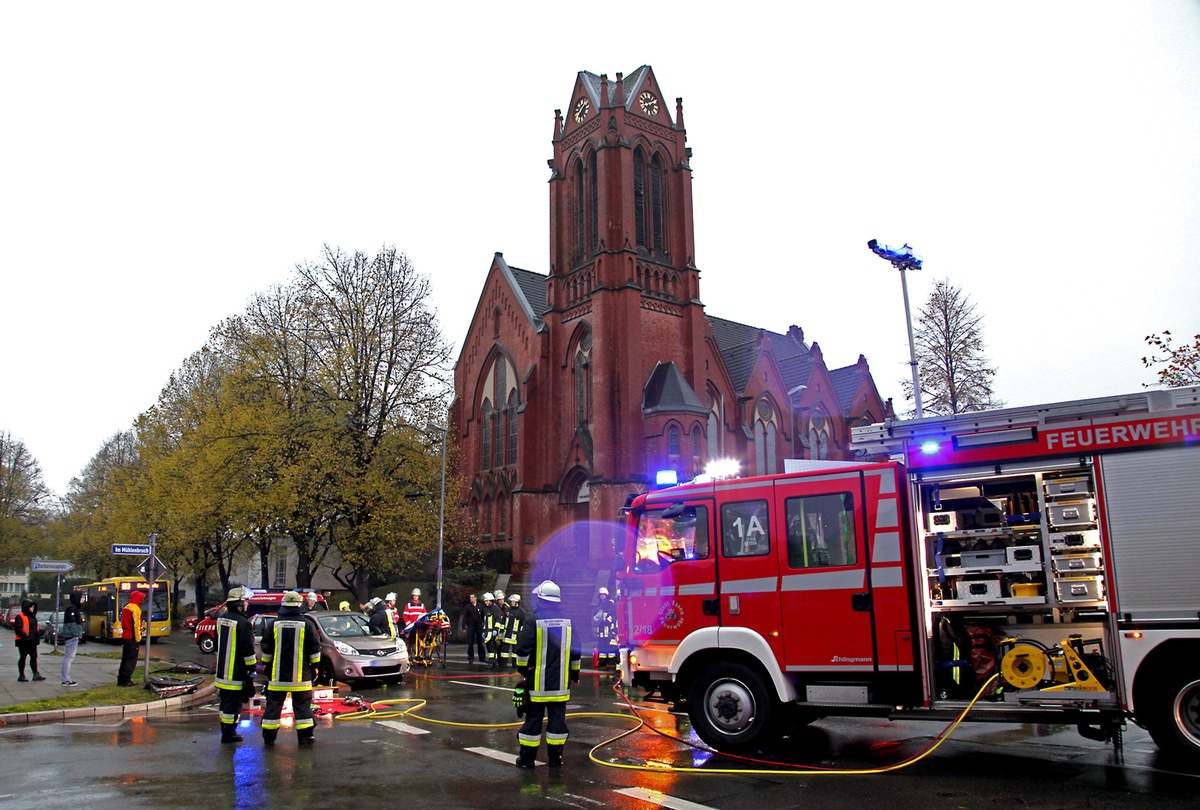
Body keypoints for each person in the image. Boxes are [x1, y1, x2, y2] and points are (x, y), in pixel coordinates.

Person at [515, 580, 580, 769]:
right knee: (557, 724)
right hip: (560, 686)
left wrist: (523, 670)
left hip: (537, 686)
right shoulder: (568, 621)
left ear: (541, 599)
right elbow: (576, 652)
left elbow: (522, 649)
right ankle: (555, 759)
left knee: (533, 722)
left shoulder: (533, 621)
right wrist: (574, 675)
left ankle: (527, 760)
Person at [260, 591, 321, 747]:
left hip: (277, 678)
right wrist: (315, 669)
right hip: (301, 678)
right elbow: (314, 650)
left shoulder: (274, 624)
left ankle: (269, 737)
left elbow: (266, 650)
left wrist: (267, 668)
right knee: (303, 708)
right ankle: (305, 737)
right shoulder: (307, 625)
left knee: (273, 707)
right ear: (300, 605)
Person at [214, 587, 257, 744]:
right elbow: (248, 649)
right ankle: (229, 733)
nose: (247, 604)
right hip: (236, 672)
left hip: (222, 671)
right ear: (239, 604)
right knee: (233, 704)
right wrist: (252, 668)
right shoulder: (244, 623)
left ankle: (225, 729)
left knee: (225, 703)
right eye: (245, 601)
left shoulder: (221, 619)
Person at [116, 589, 146, 687]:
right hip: (132, 638)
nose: (142, 601)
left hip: (125, 636)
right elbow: (136, 626)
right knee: (131, 659)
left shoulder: (126, 607)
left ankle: (121, 679)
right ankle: (126, 680)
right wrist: (138, 639)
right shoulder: (135, 609)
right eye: (141, 599)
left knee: (125, 658)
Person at [14, 598, 45, 682]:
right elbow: (18, 629)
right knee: (23, 657)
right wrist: (26, 637)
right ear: (26, 607)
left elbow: (34, 629)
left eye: (33, 607)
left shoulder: (32, 616)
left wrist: (39, 634)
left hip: (31, 641)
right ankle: (21, 675)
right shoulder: (20, 616)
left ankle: (35, 673)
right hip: (23, 641)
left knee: (34, 657)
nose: (32, 608)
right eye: (31, 607)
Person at [60, 591, 84, 686]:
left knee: (69, 657)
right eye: (81, 597)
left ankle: (66, 678)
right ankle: (66, 679)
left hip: (72, 636)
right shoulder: (72, 609)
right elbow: (72, 623)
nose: (82, 599)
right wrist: (76, 634)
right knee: (69, 658)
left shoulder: (73, 608)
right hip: (72, 636)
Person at [592, 587, 619, 668]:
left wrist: (607, 621)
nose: (602, 596)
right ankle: (603, 662)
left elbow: (613, 616)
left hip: (608, 630)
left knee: (610, 647)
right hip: (601, 630)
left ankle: (611, 662)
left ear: (607, 595)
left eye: (604, 595)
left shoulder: (610, 605)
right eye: (601, 595)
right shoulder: (599, 606)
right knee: (602, 647)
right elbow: (595, 616)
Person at [501, 593, 524, 668]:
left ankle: (515, 664)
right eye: (511, 601)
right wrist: (500, 632)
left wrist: (521, 634)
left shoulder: (521, 612)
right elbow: (503, 621)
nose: (511, 603)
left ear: (517, 602)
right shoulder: (507, 610)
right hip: (507, 633)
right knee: (504, 651)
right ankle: (503, 664)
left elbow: (522, 625)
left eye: (513, 601)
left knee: (515, 651)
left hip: (515, 635)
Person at [462, 593, 486, 666]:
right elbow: (465, 617)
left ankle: (482, 657)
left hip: (479, 625)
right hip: (471, 625)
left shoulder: (480, 606)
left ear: (475, 598)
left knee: (480, 642)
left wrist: (483, 623)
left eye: (472, 597)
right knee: (470, 642)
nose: (471, 599)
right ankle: (470, 658)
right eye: (470, 597)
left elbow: (483, 615)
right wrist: (463, 627)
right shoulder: (468, 607)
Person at [482, 592, 502, 668]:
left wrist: (496, 630)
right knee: (489, 647)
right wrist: (484, 631)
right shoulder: (486, 609)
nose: (486, 602)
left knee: (493, 647)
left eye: (487, 601)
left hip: (493, 632)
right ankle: (493, 662)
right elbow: (485, 621)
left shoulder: (496, 609)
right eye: (485, 601)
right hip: (488, 631)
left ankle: (493, 663)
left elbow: (498, 620)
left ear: (491, 601)